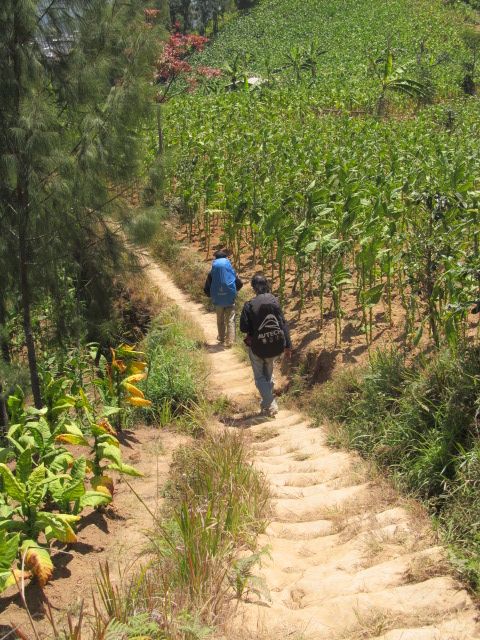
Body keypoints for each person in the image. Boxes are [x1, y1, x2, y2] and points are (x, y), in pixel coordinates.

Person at [240, 274, 292, 416]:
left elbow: (243, 328)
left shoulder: (249, 305)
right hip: (276, 346)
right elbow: (284, 325)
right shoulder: (275, 301)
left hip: (258, 347)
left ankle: (270, 403)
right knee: (268, 377)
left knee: (259, 378)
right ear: (267, 284)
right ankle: (266, 407)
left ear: (253, 288)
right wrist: (288, 346)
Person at [204, 250, 243, 347]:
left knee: (220, 319)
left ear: (215, 259)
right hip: (230, 298)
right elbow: (239, 284)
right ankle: (230, 341)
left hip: (218, 299)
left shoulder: (212, 272)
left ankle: (221, 338)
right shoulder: (231, 271)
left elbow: (207, 287)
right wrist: (233, 292)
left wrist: (211, 295)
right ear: (226, 259)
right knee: (230, 319)